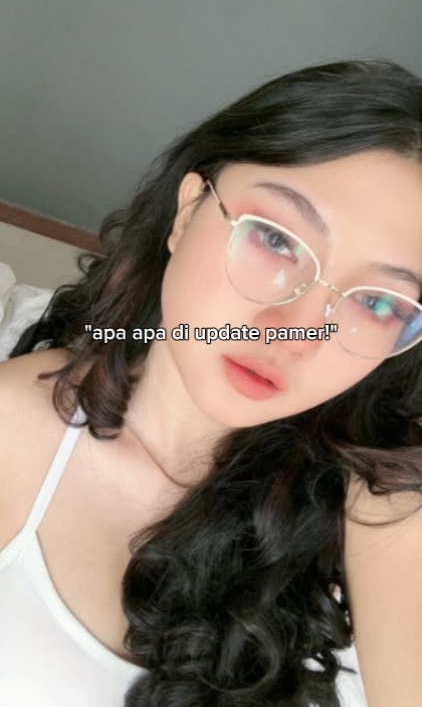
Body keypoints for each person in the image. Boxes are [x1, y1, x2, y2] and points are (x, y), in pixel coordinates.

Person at [1, 59, 422, 707]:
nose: (292, 332)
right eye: (276, 240)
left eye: (378, 303)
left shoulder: (383, 500)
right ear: (188, 209)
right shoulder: (17, 429)